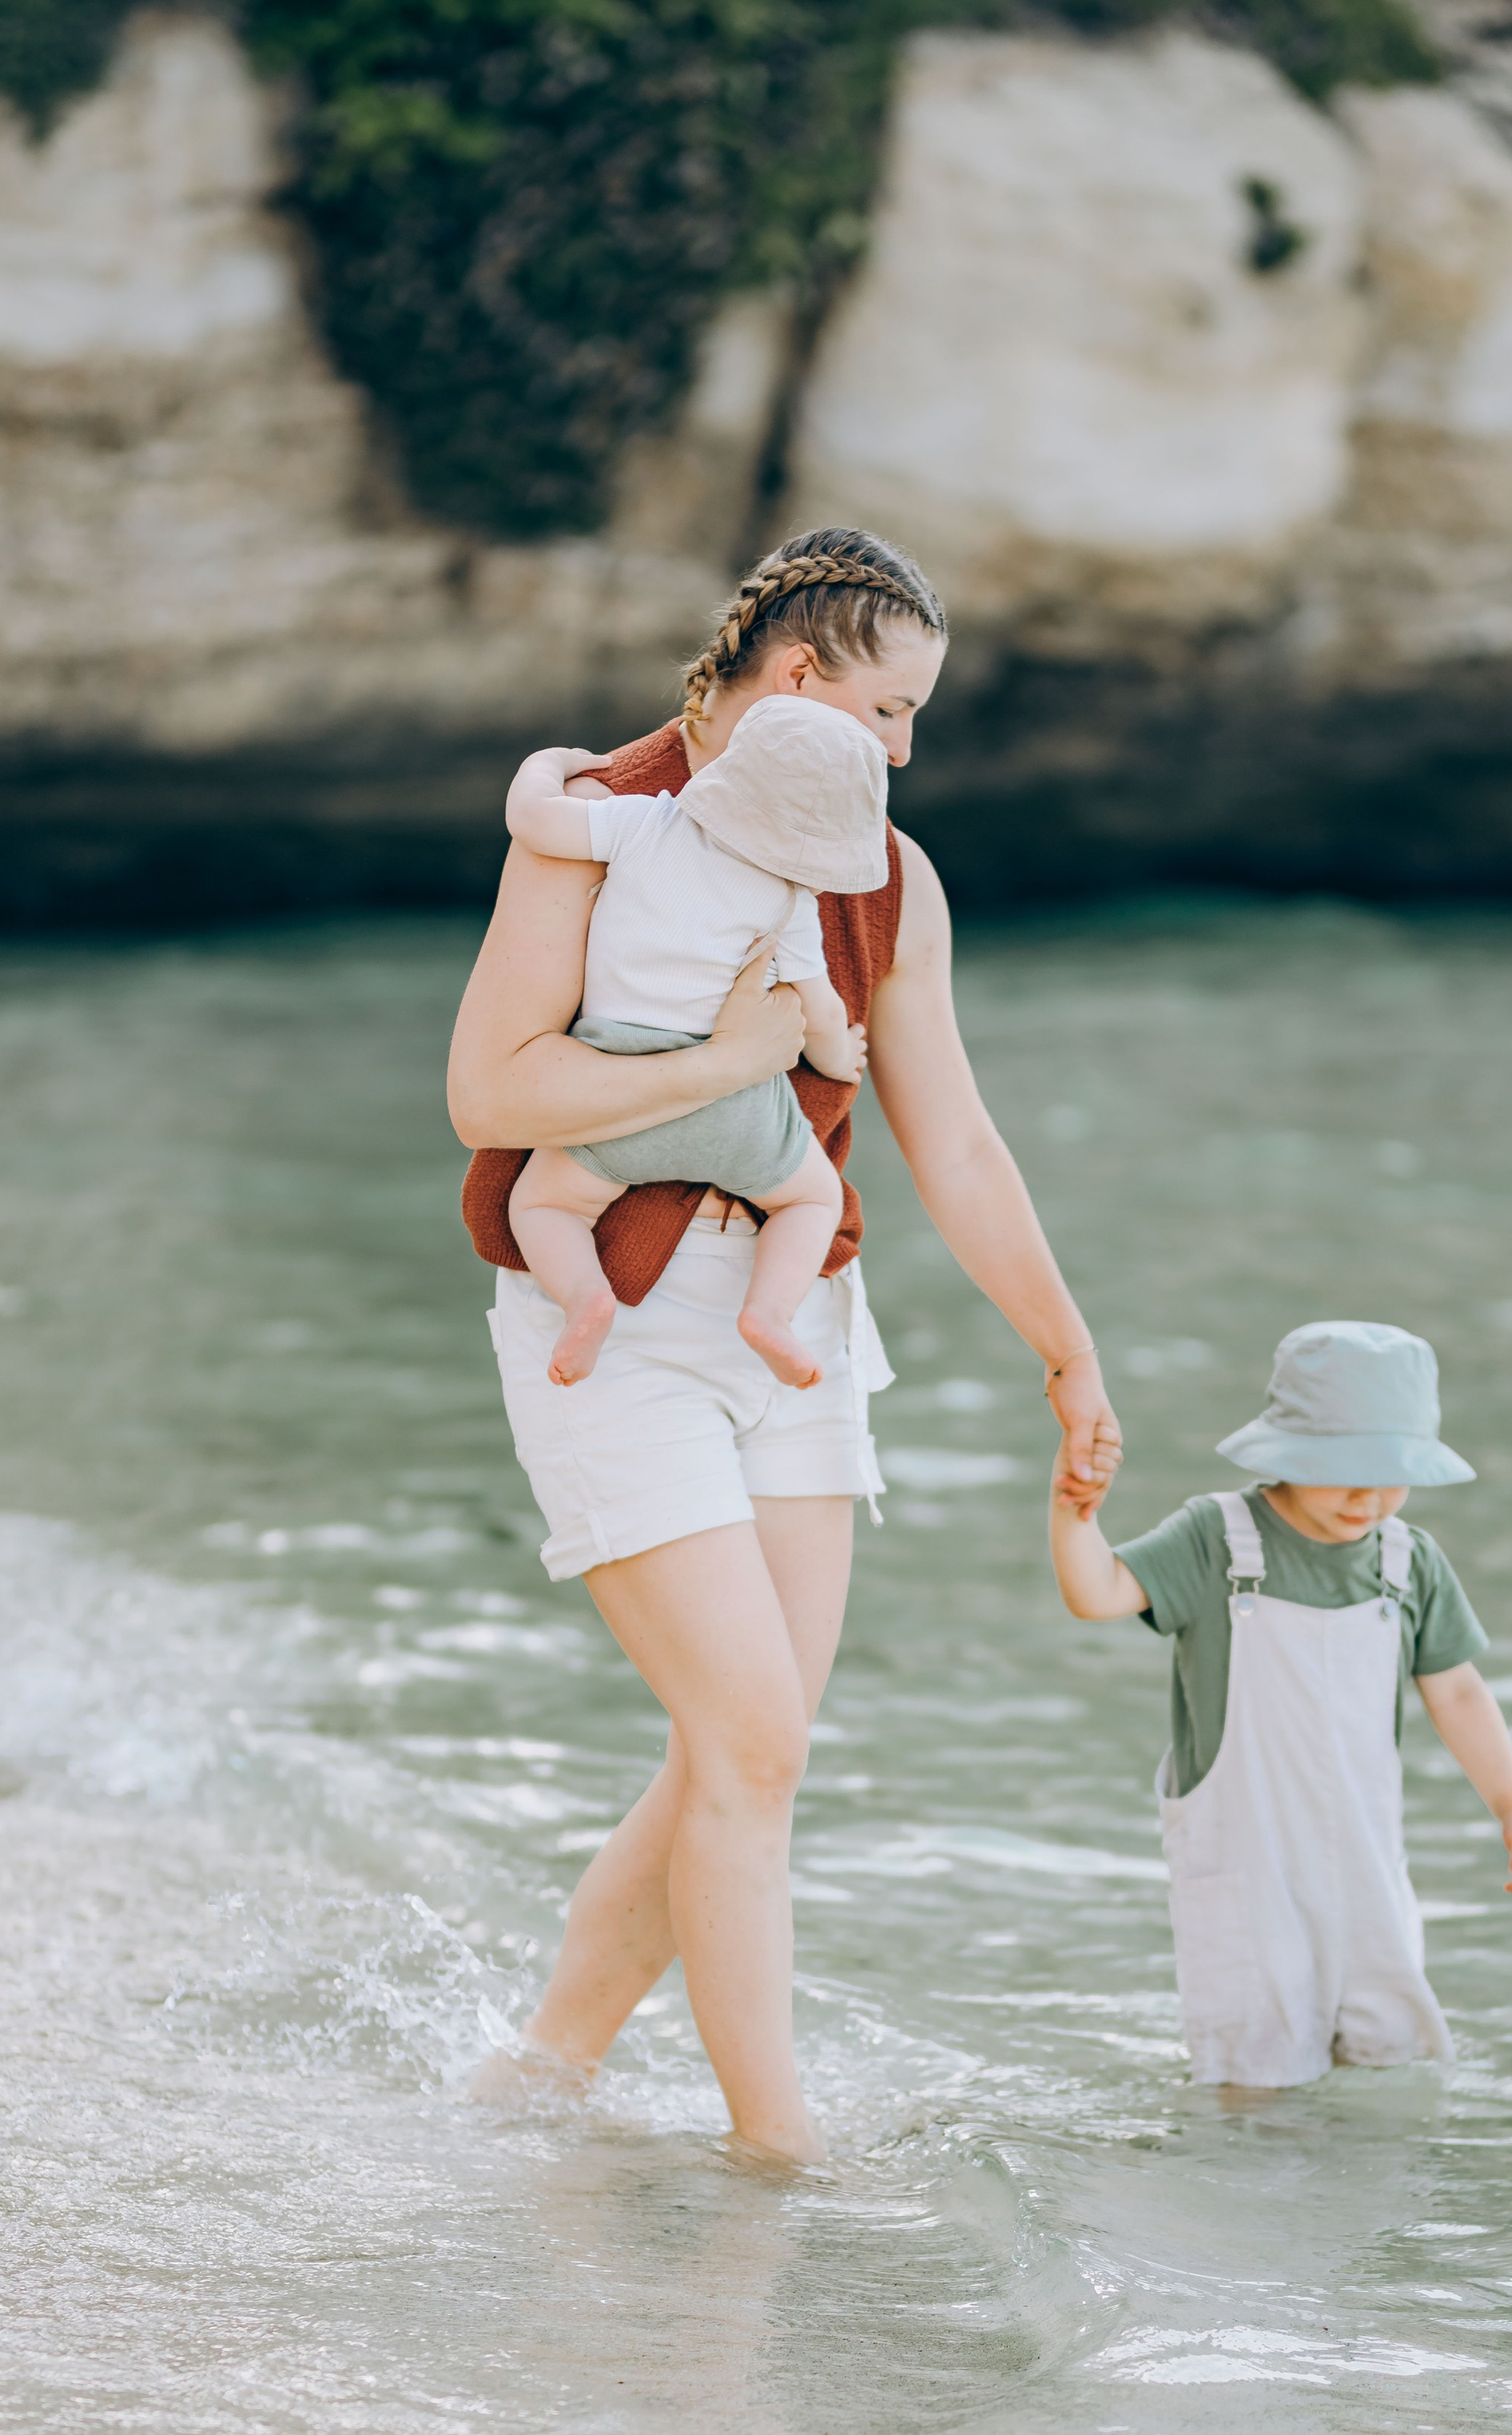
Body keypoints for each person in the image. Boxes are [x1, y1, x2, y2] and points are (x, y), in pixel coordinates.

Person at [448, 527, 1122, 2164]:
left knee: (745, 1750)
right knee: (748, 1739)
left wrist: (1067, 1349)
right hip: (606, 1321)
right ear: (802, 677)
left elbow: (950, 1139)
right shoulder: (599, 826)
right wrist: (732, 1057)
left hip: (799, 1318)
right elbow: (491, 1093)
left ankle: (543, 2071)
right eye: (892, 714)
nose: (903, 755)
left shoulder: (888, 873)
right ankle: (777, 2151)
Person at [1049, 1320, 1512, 2091]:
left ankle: (1372, 2212)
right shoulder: (1217, 1538)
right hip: (1248, 1870)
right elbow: (1098, 1593)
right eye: (1343, 1468)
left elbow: (1456, 1688)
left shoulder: (1407, 1561)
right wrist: (1074, 1515)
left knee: (1390, 2063)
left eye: (1393, 1471)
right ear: (1285, 1452)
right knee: (1254, 2077)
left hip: (1366, 1865)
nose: (1369, 1495)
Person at [499, 697, 885, 1392]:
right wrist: (840, 1057)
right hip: (736, 1111)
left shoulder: (645, 823)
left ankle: (587, 1299)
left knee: (544, 1206)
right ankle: (769, 1313)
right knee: (810, 1204)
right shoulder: (789, 896)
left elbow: (532, 822)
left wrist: (549, 763)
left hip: (619, 1090)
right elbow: (817, 1009)